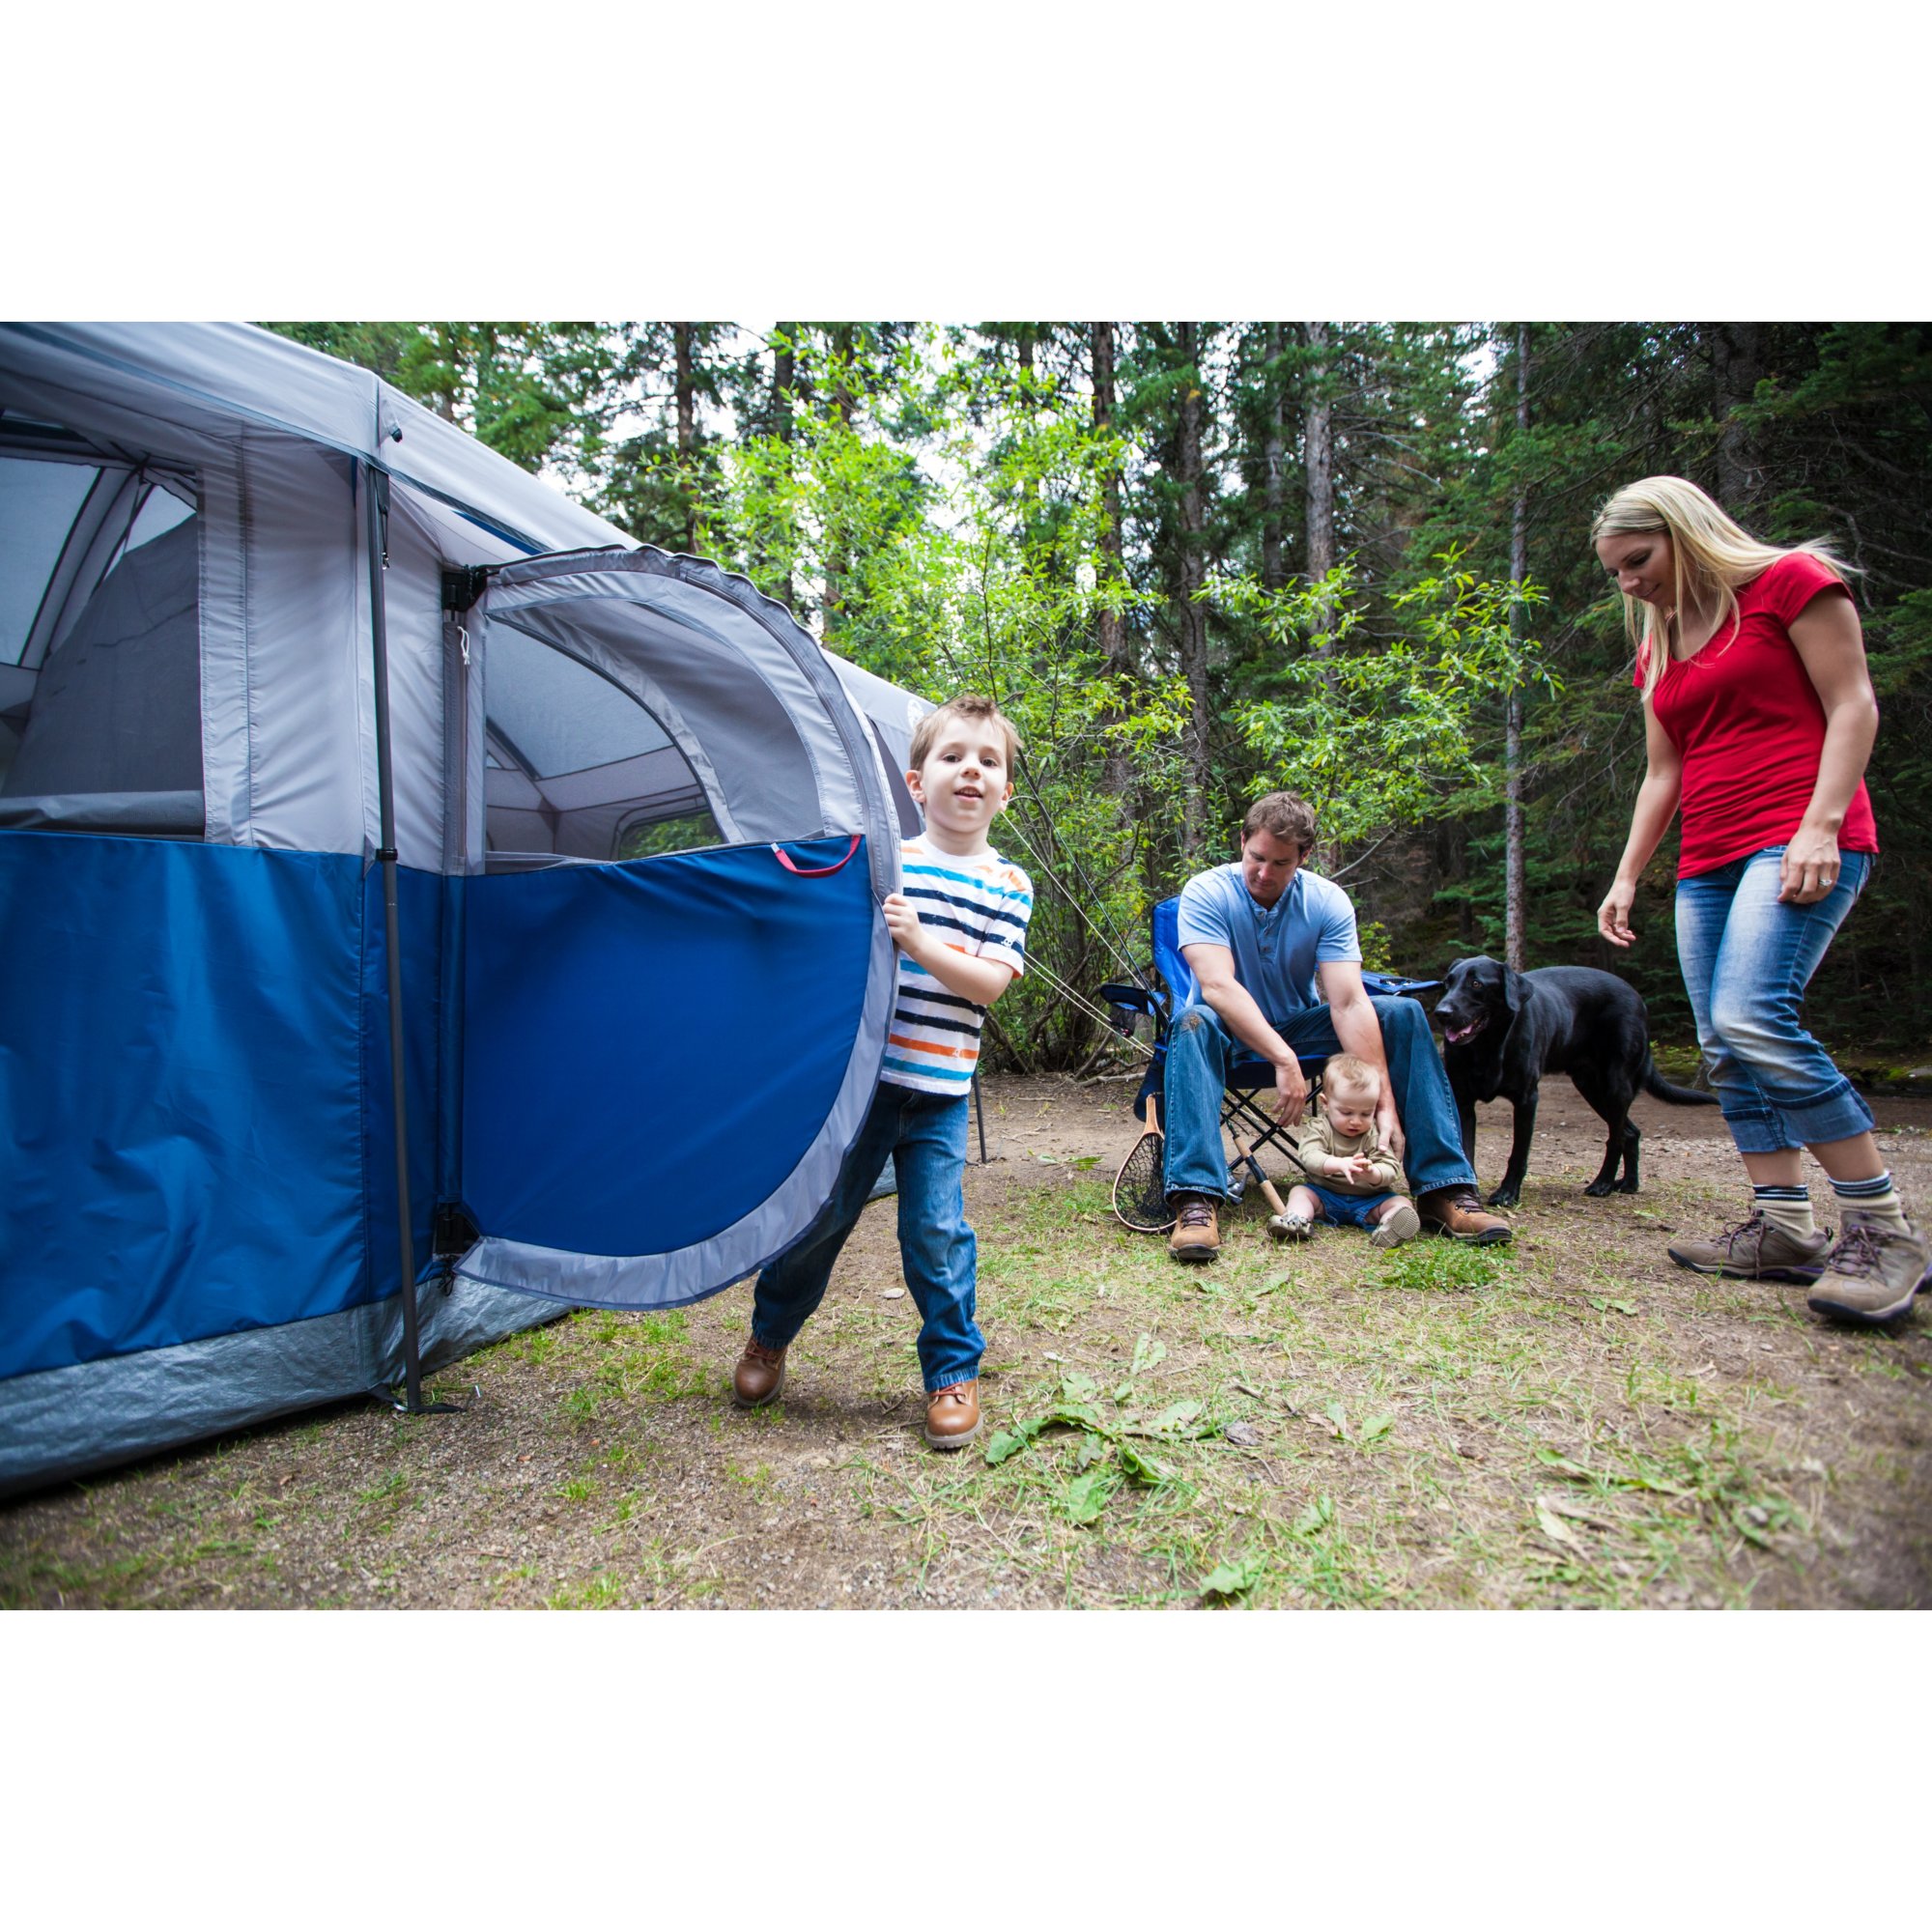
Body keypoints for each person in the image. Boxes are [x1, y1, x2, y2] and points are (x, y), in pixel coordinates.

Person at [1593, 474, 1924, 1327]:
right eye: (1616, 573)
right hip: (1708, 856)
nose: (1629, 584)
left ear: (1684, 531)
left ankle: (1884, 1230)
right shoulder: (1660, 644)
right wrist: (1630, 874)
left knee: (1753, 1016)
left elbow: (1853, 703)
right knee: (1723, 1045)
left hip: (1800, 836)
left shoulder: (1792, 584)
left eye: (1639, 561)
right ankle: (1783, 1226)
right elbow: (1663, 770)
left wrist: (1821, 825)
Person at [728, 693, 1034, 1448]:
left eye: (988, 761)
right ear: (915, 781)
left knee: (935, 1230)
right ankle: (769, 1336)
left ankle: (951, 1374)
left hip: (940, 1094)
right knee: (819, 1222)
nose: (970, 771)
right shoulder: (886, 861)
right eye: (953, 757)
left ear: (1006, 790)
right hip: (859, 1088)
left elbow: (988, 984)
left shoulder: (1009, 883)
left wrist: (924, 943)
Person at [1162, 791, 1511, 1259]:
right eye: (1256, 857)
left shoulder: (1327, 901)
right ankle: (1196, 1200)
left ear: (1304, 857)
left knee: (1401, 1011)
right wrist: (1282, 1059)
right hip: (1222, 1034)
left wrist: (1383, 1103)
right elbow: (1218, 987)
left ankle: (1443, 1189)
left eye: (1280, 863)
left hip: (1299, 1026)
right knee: (1191, 1018)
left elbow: (1347, 1002)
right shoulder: (1207, 891)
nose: (1263, 873)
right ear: (1241, 841)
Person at [1277, 1053, 1422, 1247]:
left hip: (1370, 1200)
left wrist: (1373, 1173)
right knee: (1300, 1192)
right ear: (1326, 1103)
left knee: (1402, 1204)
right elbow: (1309, 1156)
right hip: (1325, 1195)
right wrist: (1339, 1164)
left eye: (1366, 1113)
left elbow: (1391, 1167)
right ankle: (1297, 1221)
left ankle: (1389, 1227)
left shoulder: (1374, 1133)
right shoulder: (1319, 1127)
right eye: (1346, 1112)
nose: (1356, 1120)